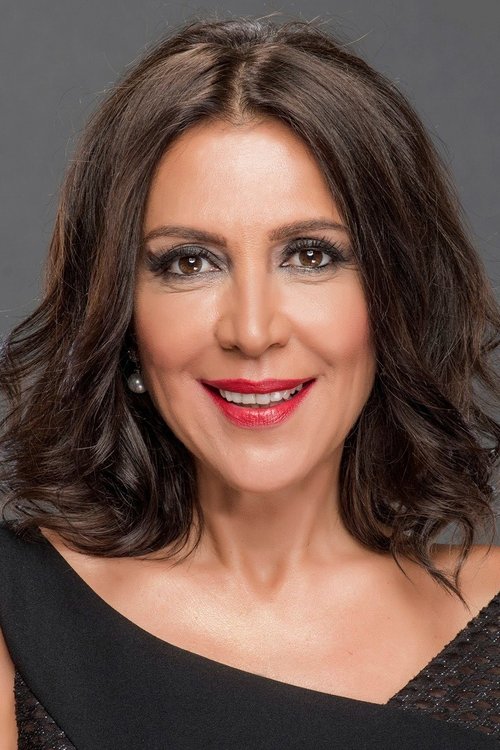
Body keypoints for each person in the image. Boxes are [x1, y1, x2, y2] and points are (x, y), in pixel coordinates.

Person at [0, 14, 499, 750]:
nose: (254, 329)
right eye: (189, 263)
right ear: (121, 314)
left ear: (396, 296)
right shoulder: (14, 615)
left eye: (311, 255)